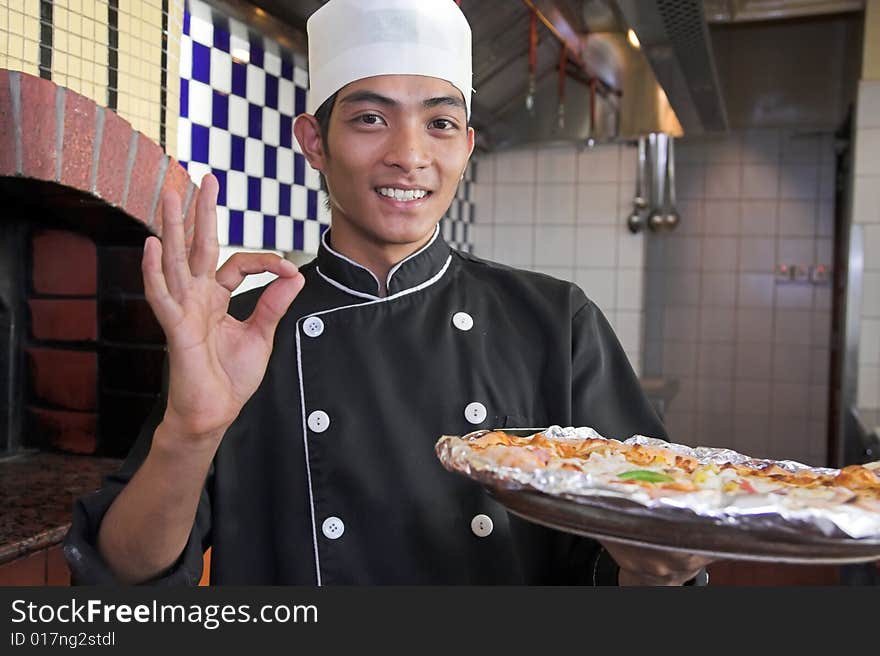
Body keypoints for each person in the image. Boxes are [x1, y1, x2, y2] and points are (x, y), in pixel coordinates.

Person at [64, 0, 712, 586]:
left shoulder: (554, 322)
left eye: (440, 124)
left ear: (466, 146)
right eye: (371, 118)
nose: (409, 154)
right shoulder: (240, 337)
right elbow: (121, 576)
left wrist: (658, 572)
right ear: (314, 142)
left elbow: (633, 553)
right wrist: (189, 432)